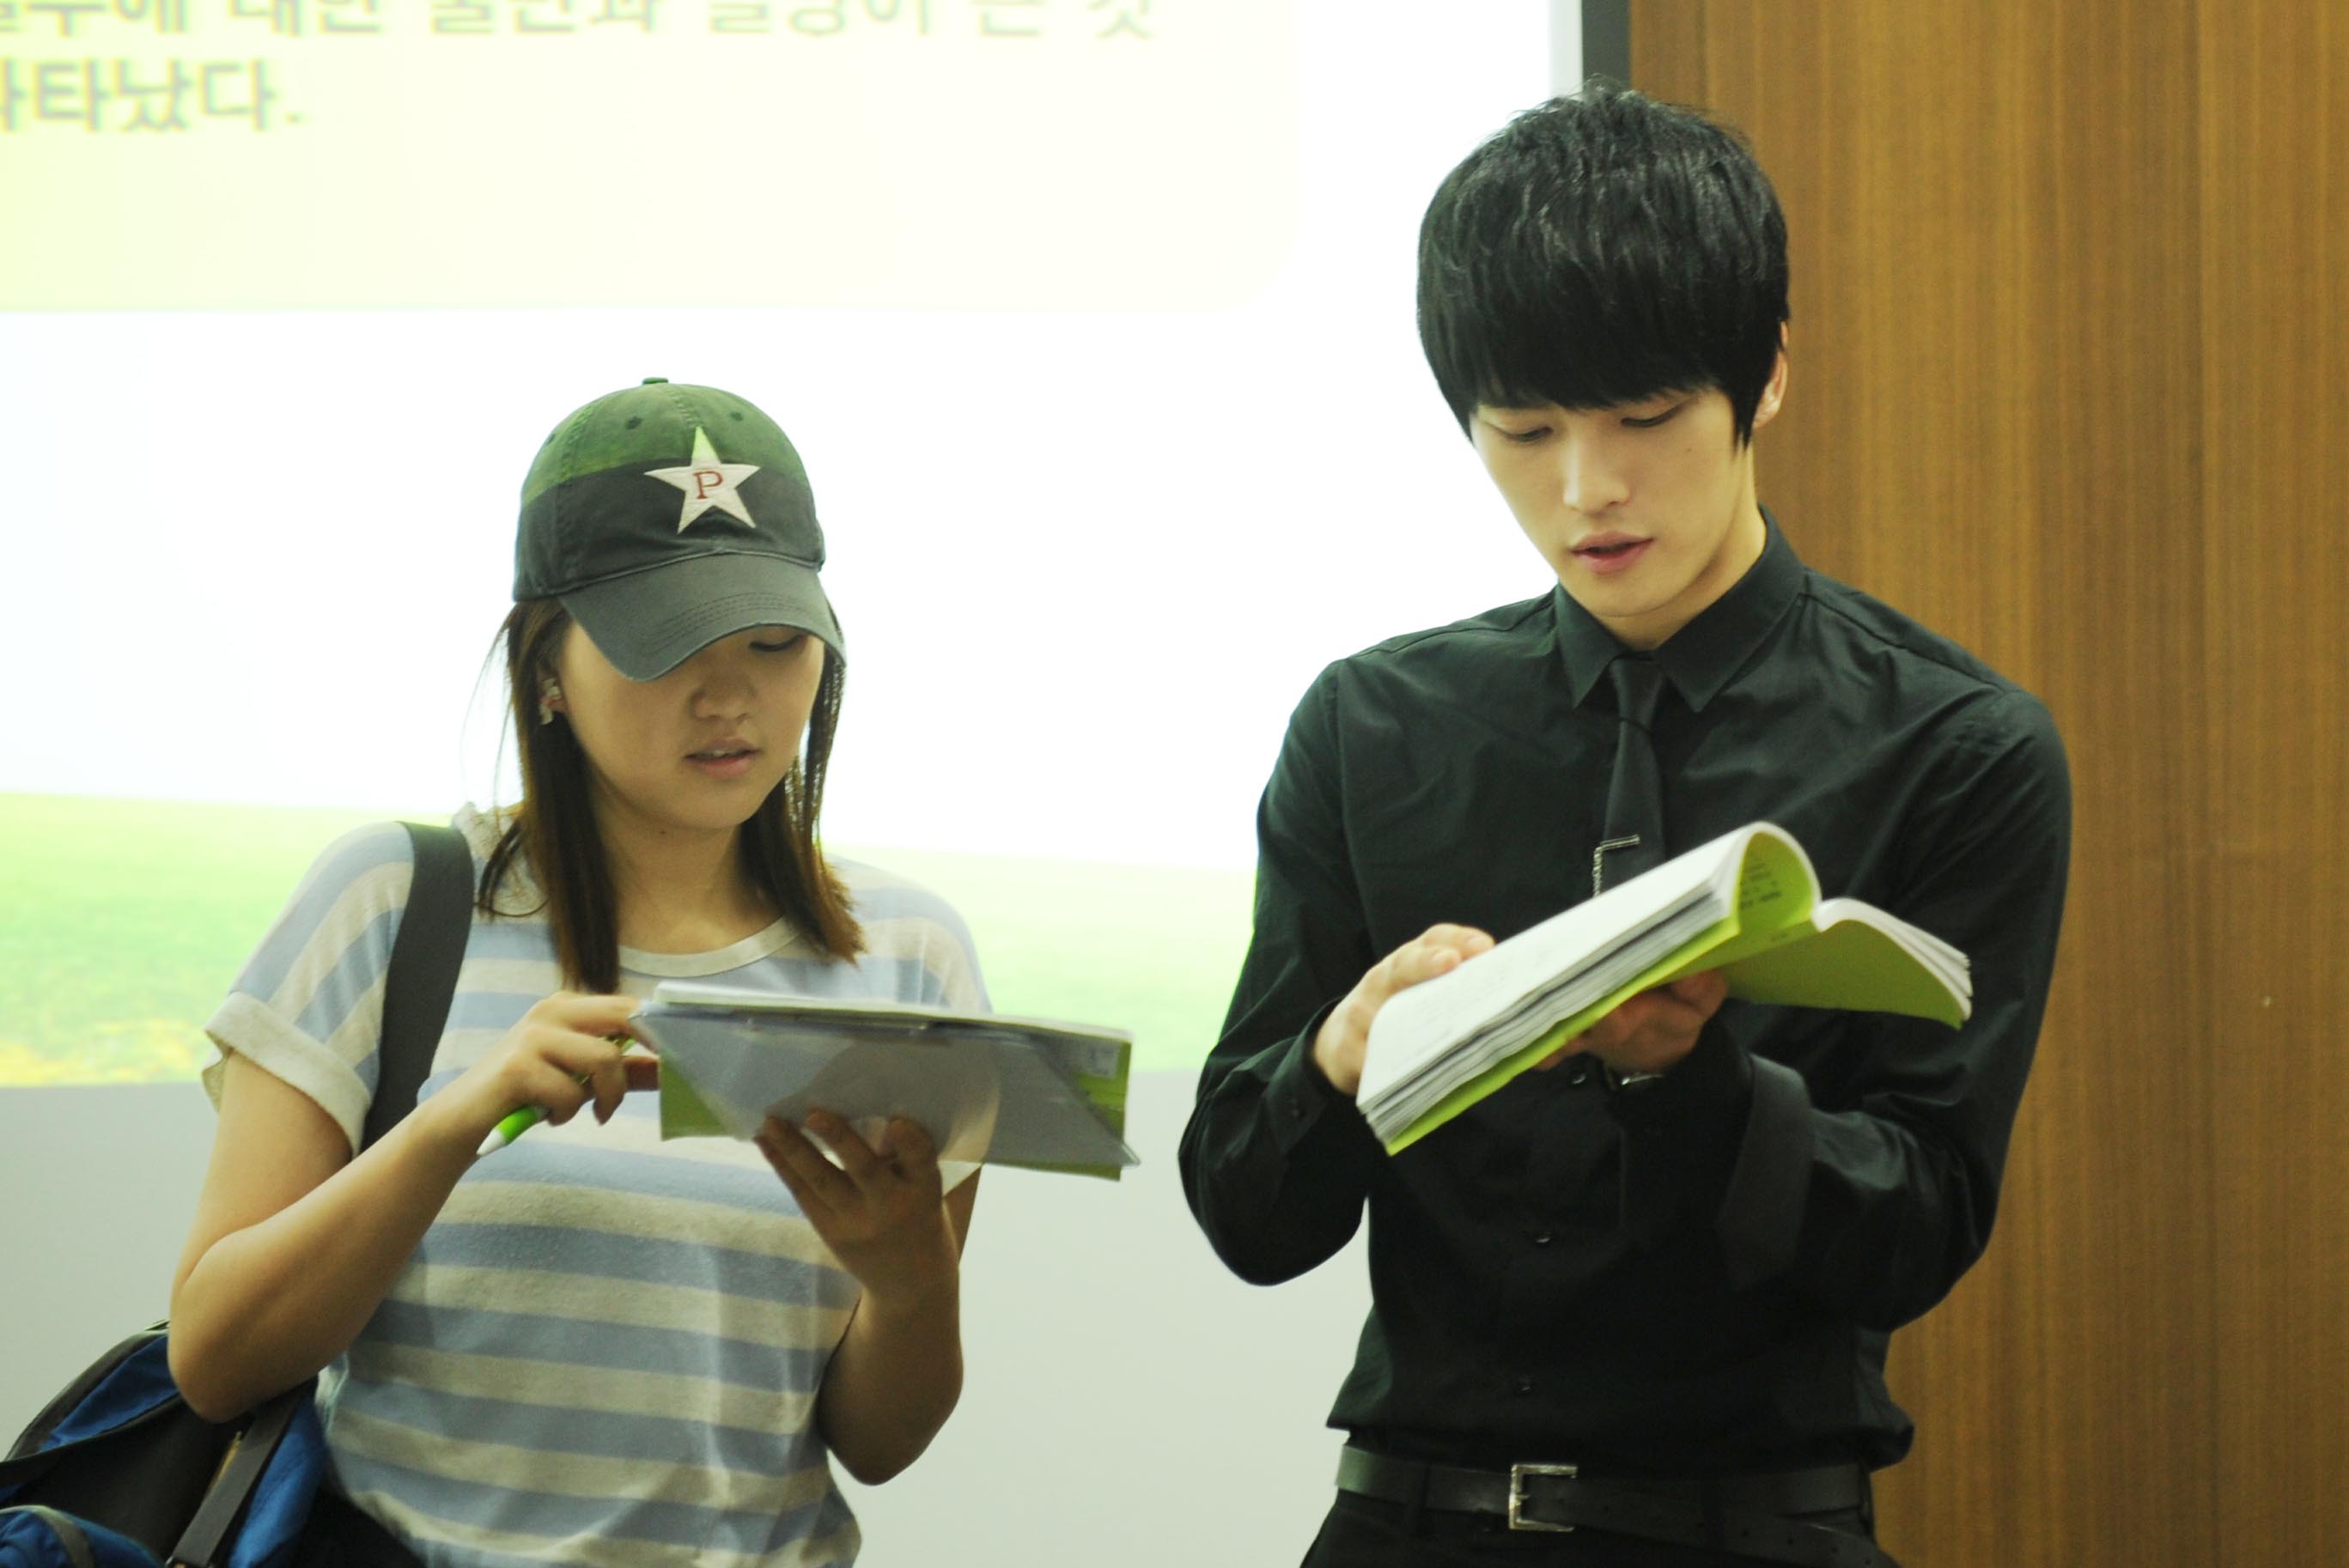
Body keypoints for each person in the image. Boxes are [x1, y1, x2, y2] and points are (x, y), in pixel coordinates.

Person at [1179, 83, 2070, 1566]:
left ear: (1764, 375)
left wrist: (1695, 1084)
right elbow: (1249, 1215)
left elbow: (1917, 1229)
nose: (1585, 489)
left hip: (1755, 1528)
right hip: (1408, 1522)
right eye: (1523, 430)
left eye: (1645, 418)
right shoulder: (1372, 726)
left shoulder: (1953, 746)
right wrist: (1340, 1055)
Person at [168, 378, 985, 1568]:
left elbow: (878, 1441)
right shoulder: (391, 899)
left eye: (773, 643)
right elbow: (214, 1357)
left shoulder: (912, 957)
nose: (730, 696)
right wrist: (454, 1122)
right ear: (544, 666)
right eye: (667, 644)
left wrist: (911, 1288)